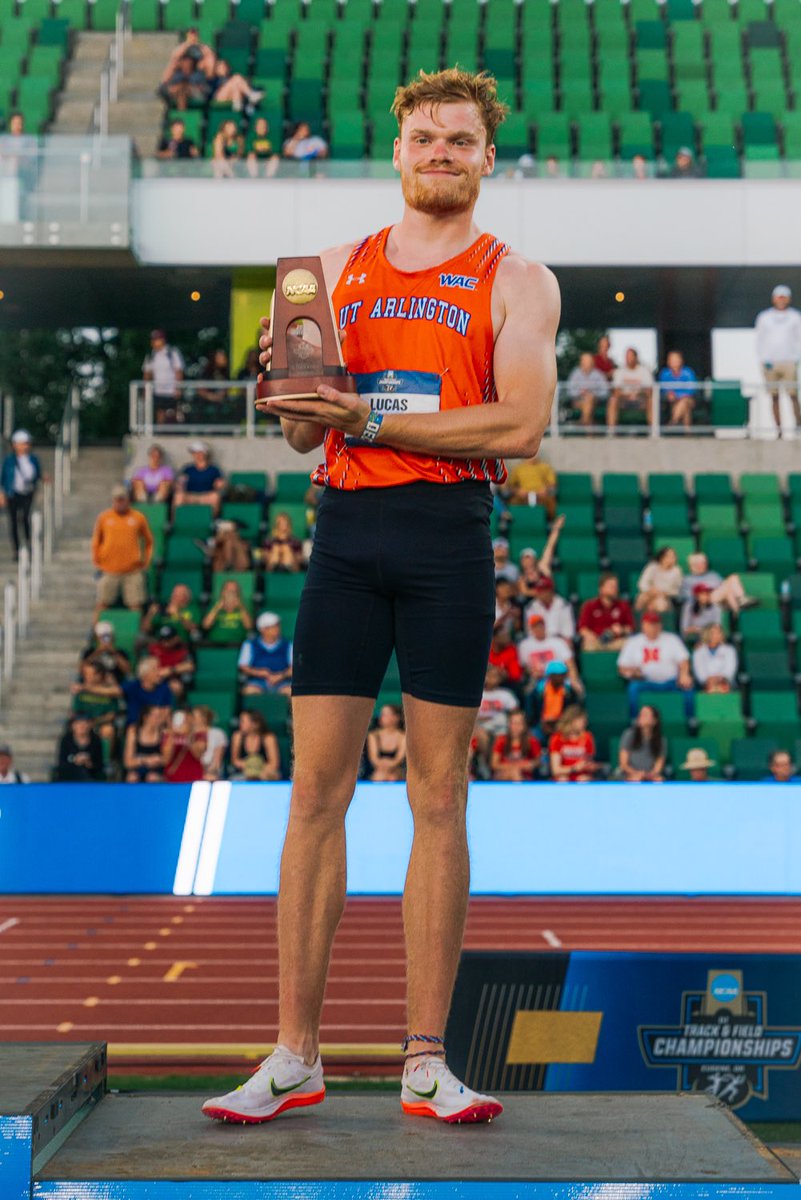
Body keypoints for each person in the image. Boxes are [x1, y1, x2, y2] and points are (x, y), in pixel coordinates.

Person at [203, 67, 558, 1129]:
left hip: (449, 539)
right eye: (424, 139)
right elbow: (306, 433)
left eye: (460, 140)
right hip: (348, 537)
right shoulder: (329, 273)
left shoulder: (518, 279)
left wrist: (366, 420)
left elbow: (517, 427)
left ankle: (424, 1062)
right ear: (396, 153)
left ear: (488, 158)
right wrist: (292, 386)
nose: (441, 154)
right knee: (315, 795)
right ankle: (294, 1055)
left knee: (437, 798)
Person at [91, 486, 153, 624]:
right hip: (110, 570)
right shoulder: (104, 518)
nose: (119, 502)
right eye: (116, 500)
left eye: (122, 499)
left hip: (132, 570)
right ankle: (95, 633)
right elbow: (96, 540)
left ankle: (136, 635)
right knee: (102, 603)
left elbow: (149, 541)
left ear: (128, 500)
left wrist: (145, 562)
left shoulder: (138, 517)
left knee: (136, 605)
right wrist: (98, 560)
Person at [617, 610, 694, 717]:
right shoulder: (633, 642)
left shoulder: (671, 639)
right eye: (650, 624)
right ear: (643, 625)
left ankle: (690, 719)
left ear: (660, 625)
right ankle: (635, 720)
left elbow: (683, 660)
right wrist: (632, 672)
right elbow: (622, 666)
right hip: (645, 682)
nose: (653, 627)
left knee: (688, 687)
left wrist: (684, 674)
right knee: (633, 688)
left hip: (670, 682)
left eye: (656, 624)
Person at [754, 284, 801, 434]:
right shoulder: (764, 317)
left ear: (788, 299)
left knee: (793, 395)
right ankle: (778, 429)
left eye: (784, 297)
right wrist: (763, 359)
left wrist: (796, 359)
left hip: (789, 362)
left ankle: (798, 425)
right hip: (770, 363)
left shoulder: (795, 317)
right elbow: (760, 340)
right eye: (779, 297)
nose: (781, 300)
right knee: (774, 396)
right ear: (774, 299)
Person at [0, 429, 43, 560]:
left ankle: (28, 545)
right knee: (13, 521)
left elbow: (37, 474)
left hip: (27, 493)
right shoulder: (9, 460)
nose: (23, 446)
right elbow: (3, 478)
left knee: (24, 517)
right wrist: (2, 494)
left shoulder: (33, 459)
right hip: (12, 493)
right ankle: (17, 549)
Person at [518, 612, 582, 695]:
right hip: (538, 679)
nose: (538, 628)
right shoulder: (525, 645)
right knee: (530, 691)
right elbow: (525, 667)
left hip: (559, 678)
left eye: (540, 625)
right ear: (531, 628)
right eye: (535, 626)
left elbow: (570, 663)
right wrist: (532, 672)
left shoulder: (557, 642)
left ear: (544, 626)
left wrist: (574, 679)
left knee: (574, 688)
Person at [678, 551, 757, 615]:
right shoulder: (687, 579)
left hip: (722, 600)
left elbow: (724, 585)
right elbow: (686, 597)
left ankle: (740, 602)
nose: (702, 565)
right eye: (699, 563)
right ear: (692, 565)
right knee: (727, 589)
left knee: (733, 578)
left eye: (704, 563)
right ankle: (738, 613)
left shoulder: (713, 574)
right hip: (704, 602)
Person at [238, 611, 293, 695]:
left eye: (277, 625)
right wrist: (259, 673)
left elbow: (293, 668)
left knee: (290, 691)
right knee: (250, 690)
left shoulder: (288, 645)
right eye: (273, 626)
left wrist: (280, 676)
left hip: (282, 682)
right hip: (257, 682)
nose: (277, 629)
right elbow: (243, 666)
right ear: (263, 629)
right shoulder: (250, 644)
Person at [577, 572, 634, 652]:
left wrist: (622, 630)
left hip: (616, 641)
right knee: (588, 645)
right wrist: (592, 636)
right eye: (611, 586)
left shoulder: (623, 606)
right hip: (596, 641)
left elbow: (630, 628)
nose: (615, 589)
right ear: (601, 588)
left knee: (629, 644)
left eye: (616, 586)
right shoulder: (589, 606)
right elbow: (583, 629)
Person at [527, 659, 580, 740]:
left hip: (562, 724)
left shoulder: (569, 692)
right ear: (550, 676)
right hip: (541, 724)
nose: (560, 678)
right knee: (534, 736)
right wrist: (541, 723)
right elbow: (531, 710)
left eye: (562, 675)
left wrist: (562, 724)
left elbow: (573, 710)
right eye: (557, 675)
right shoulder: (538, 690)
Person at [142, 331, 185, 425]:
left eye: (156, 339)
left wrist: (178, 388)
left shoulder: (172, 353)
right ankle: (160, 434)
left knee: (174, 414)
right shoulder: (150, 355)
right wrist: (145, 390)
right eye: (153, 340)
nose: (154, 342)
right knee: (160, 414)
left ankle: (175, 434)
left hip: (171, 391)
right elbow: (147, 373)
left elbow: (179, 371)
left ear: (163, 340)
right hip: (158, 391)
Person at [617, 704, 667, 782]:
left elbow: (659, 764)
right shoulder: (629, 734)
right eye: (640, 714)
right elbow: (623, 764)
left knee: (659, 780)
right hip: (629, 774)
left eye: (645, 715)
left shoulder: (661, 740)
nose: (641, 717)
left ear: (654, 721)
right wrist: (637, 773)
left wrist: (650, 775)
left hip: (649, 775)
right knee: (635, 780)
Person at [173, 442, 226, 515]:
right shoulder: (188, 469)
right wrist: (179, 485)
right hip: (191, 495)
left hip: (206, 496)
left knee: (215, 497)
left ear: (205, 453)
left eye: (199, 452)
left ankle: (212, 521)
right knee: (179, 496)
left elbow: (220, 483)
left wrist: (220, 484)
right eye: (194, 453)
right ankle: (175, 521)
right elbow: (180, 482)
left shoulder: (214, 469)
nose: (197, 455)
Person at [607, 347, 654, 428]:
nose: (629, 359)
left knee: (652, 400)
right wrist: (628, 395)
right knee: (613, 400)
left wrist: (638, 394)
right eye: (627, 356)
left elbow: (649, 390)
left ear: (636, 357)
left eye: (631, 356)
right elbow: (616, 391)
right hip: (623, 400)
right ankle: (611, 432)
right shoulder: (620, 371)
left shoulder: (645, 371)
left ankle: (653, 432)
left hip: (640, 400)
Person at [229, 708, 281, 780]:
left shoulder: (268, 738)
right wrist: (250, 767)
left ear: (254, 724)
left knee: (271, 775)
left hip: (264, 772)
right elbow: (234, 761)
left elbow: (274, 764)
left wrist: (256, 769)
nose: (240, 724)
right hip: (243, 772)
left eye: (242, 721)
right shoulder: (237, 736)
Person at [146, 623, 195, 699]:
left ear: (176, 638)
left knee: (177, 685)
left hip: (173, 678)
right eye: (162, 639)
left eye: (168, 639)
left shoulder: (183, 649)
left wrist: (170, 670)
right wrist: (157, 674)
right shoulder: (153, 648)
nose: (164, 642)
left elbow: (190, 666)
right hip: (155, 677)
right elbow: (145, 666)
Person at [490, 708, 541, 781]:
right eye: (513, 723)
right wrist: (515, 767)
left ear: (524, 725)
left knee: (516, 773)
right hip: (503, 774)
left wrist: (531, 764)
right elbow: (494, 764)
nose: (516, 727)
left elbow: (538, 762)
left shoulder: (532, 741)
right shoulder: (501, 740)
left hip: (524, 776)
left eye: (519, 724)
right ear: (509, 725)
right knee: (514, 773)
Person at [548, 705, 596, 782]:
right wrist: (574, 768)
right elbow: (556, 770)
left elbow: (589, 762)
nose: (585, 724)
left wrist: (589, 767)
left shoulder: (587, 738)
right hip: (565, 776)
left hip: (581, 777)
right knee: (563, 779)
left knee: (584, 779)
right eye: (582, 721)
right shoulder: (557, 738)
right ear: (572, 721)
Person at [122, 656, 174, 725]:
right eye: (155, 670)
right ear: (145, 674)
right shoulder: (133, 686)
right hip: (135, 727)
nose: (160, 672)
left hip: (156, 727)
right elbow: (112, 691)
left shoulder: (165, 688)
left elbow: (166, 712)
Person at [123, 705, 167, 782]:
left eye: (160, 716)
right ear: (145, 717)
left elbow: (166, 759)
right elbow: (128, 762)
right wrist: (146, 760)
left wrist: (159, 760)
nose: (159, 719)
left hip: (156, 770)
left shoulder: (164, 732)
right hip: (137, 767)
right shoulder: (133, 731)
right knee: (132, 777)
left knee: (152, 777)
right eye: (155, 716)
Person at [202, 579, 253, 644]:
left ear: (238, 593)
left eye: (234, 591)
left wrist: (241, 608)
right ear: (222, 592)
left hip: (238, 644)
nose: (230, 594)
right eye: (228, 591)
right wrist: (217, 608)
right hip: (215, 644)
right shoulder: (214, 605)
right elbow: (206, 625)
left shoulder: (245, 606)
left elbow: (249, 627)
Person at [523, 575, 575, 640]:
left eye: (543, 591)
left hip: (559, 642)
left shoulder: (564, 605)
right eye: (538, 590)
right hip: (538, 642)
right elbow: (530, 632)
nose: (539, 593)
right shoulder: (531, 607)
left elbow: (568, 632)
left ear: (550, 591)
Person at [566, 351, 610, 427]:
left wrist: (593, 394)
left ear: (592, 362)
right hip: (577, 401)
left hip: (595, 401)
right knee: (588, 402)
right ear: (581, 362)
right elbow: (569, 391)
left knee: (589, 399)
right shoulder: (575, 374)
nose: (586, 363)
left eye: (589, 361)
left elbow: (605, 391)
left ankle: (581, 424)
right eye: (584, 361)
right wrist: (580, 392)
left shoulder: (599, 374)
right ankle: (588, 429)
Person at [635, 546, 683, 614]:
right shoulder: (652, 567)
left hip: (666, 597)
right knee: (641, 598)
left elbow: (677, 590)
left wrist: (661, 592)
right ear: (662, 558)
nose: (673, 558)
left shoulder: (677, 571)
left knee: (660, 603)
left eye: (674, 556)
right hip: (650, 594)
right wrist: (650, 591)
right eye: (669, 556)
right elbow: (642, 584)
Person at [57, 714, 104, 782]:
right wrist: (74, 760)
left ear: (90, 725)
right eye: (79, 723)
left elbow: (100, 763)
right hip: (69, 776)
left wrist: (90, 764)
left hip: (91, 775)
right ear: (73, 726)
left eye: (85, 723)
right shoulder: (66, 740)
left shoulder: (96, 740)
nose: (82, 726)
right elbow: (62, 762)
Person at [692, 623, 738, 692]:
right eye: (714, 633)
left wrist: (721, 679)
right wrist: (709, 680)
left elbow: (730, 670)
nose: (718, 635)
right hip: (705, 684)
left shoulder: (729, 650)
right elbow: (700, 673)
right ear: (707, 634)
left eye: (719, 632)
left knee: (723, 687)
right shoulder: (698, 652)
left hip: (725, 682)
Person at [657, 350, 697, 429]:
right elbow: (663, 389)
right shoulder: (664, 373)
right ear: (668, 361)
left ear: (681, 360)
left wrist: (678, 396)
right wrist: (668, 394)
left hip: (689, 400)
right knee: (685, 408)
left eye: (676, 359)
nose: (674, 362)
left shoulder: (688, 372)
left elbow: (691, 390)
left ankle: (673, 422)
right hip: (669, 401)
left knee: (684, 401)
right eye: (672, 359)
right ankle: (688, 433)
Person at [366, 704, 407, 781]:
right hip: (378, 770)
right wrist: (383, 767)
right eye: (382, 714)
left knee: (393, 777)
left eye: (387, 714)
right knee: (378, 776)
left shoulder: (403, 736)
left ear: (396, 717)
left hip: (397, 770)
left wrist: (389, 766)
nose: (382, 717)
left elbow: (399, 759)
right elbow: (373, 758)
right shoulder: (373, 735)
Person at [192, 703, 229, 781]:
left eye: (194, 717)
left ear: (204, 718)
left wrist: (207, 773)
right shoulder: (189, 735)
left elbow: (217, 762)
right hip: (192, 771)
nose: (191, 719)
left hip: (211, 773)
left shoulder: (218, 733)